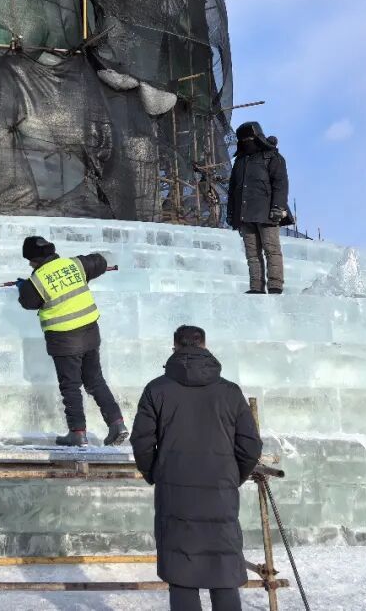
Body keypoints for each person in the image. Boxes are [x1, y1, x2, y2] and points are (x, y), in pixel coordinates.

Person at [130, 325, 263, 611]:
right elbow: (251, 446)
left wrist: (156, 474)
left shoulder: (156, 389)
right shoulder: (230, 391)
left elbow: (141, 442)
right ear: (204, 345)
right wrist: (232, 478)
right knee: (223, 570)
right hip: (219, 492)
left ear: (174, 347)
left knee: (182, 575)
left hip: (175, 493)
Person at [16, 236, 126, 447]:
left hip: (64, 339)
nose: (30, 264)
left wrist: (23, 287)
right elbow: (100, 262)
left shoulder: (36, 281)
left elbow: (27, 301)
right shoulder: (75, 264)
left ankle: (77, 432)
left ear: (36, 260)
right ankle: (117, 424)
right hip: (90, 332)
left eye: (30, 261)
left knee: (71, 387)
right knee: (95, 381)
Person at [227, 122, 289, 294]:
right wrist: (231, 213)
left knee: (271, 249)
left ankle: (275, 286)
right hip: (244, 214)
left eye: (249, 138)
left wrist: (278, 206)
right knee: (252, 254)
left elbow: (280, 184)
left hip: (267, 213)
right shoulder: (239, 162)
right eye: (243, 139)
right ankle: (256, 288)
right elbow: (233, 190)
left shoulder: (272, 157)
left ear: (258, 137)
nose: (246, 142)